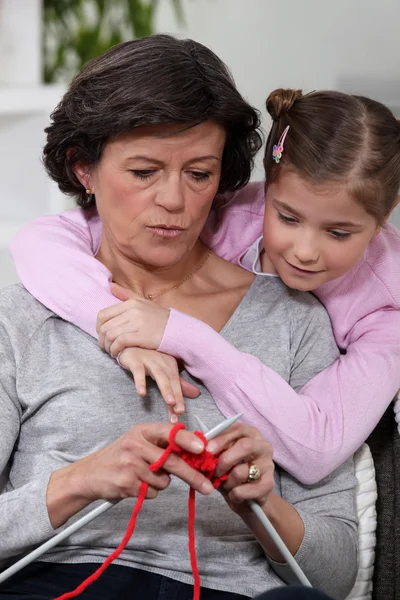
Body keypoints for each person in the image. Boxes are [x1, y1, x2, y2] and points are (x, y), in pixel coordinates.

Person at [0, 36, 357, 600]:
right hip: (59, 585)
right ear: (83, 168)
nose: (174, 200)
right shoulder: (20, 318)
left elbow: (336, 576)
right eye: (144, 171)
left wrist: (262, 501)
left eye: (199, 173)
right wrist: (80, 480)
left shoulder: (294, 320)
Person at [12, 85, 400, 484]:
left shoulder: (389, 313)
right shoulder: (233, 212)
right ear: (268, 186)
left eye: (338, 234)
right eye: (287, 217)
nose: (304, 251)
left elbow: (317, 448)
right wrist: (119, 325)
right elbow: (41, 241)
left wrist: (180, 335)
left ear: (388, 212)